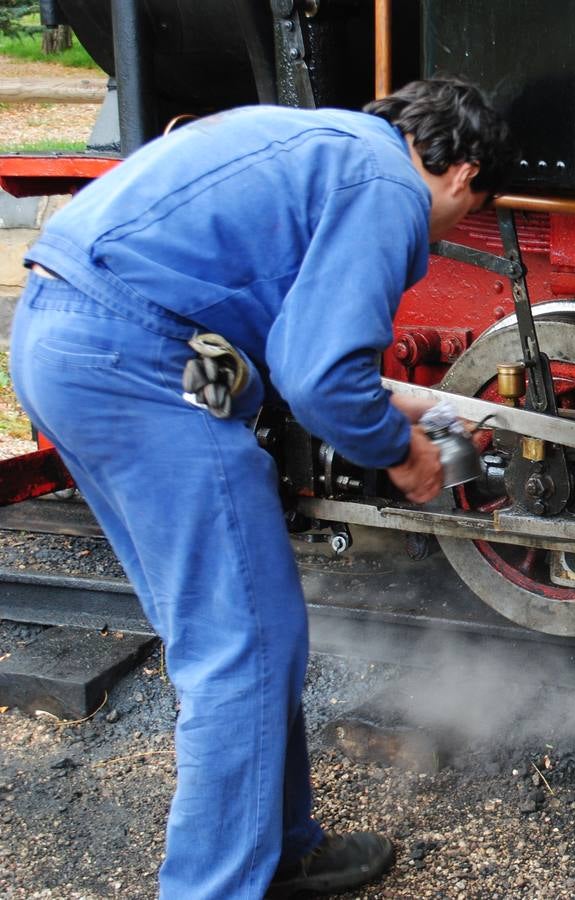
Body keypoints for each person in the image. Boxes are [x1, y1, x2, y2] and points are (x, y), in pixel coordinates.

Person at [9, 78, 511, 899]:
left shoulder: (315, 145)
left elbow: (291, 356)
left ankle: (279, 850)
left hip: (71, 343)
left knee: (237, 634)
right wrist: (405, 455)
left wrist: (422, 406)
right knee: (242, 647)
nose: (455, 232)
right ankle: (214, 886)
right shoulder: (387, 182)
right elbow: (320, 380)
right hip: (138, 368)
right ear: (464, 175)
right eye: (471, 212)